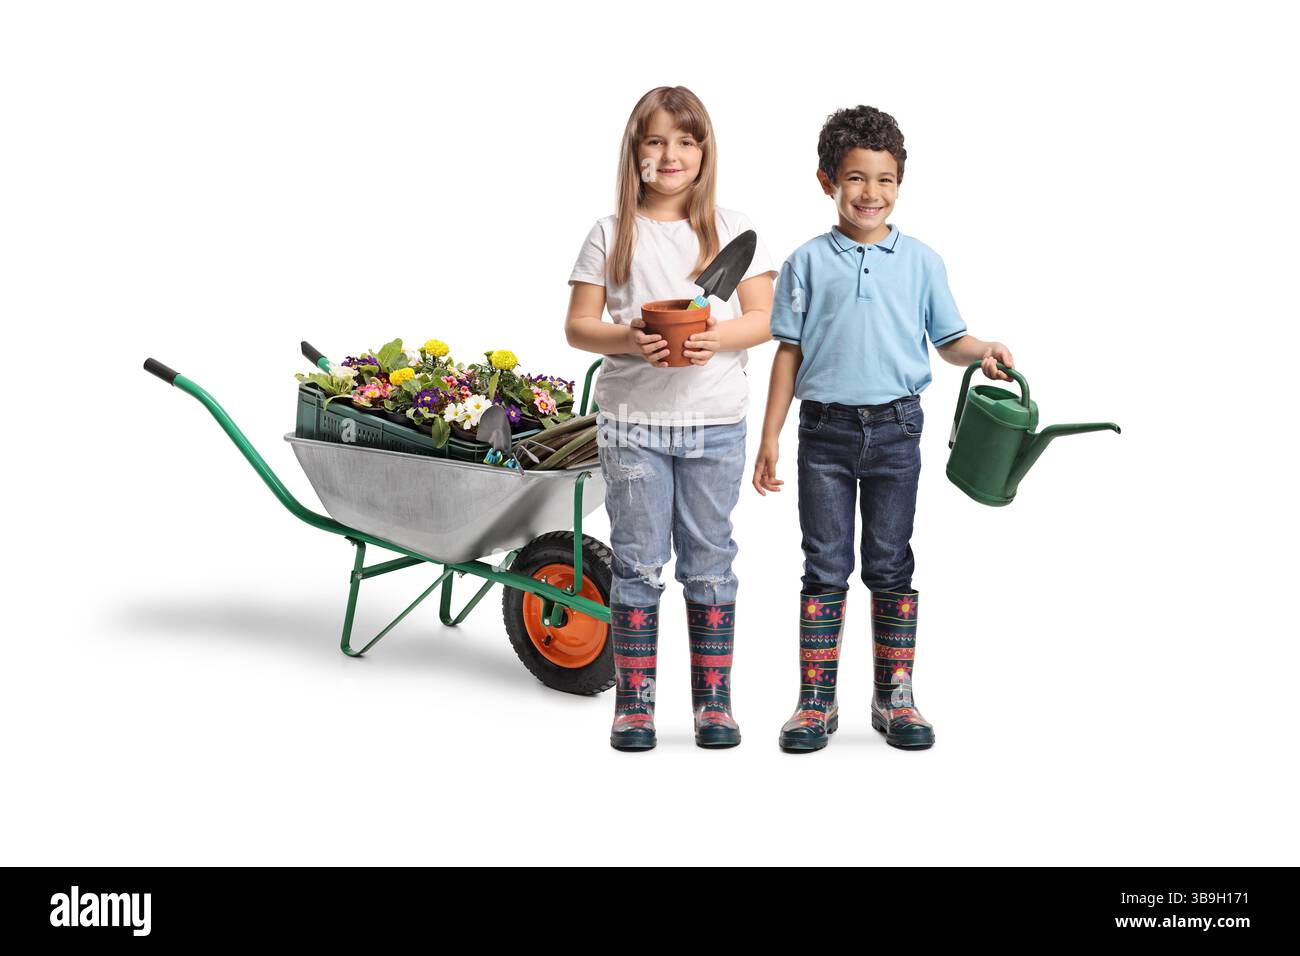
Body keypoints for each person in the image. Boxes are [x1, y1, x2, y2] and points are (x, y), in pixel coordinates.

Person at [754, 105, 1015, 754]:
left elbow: (949, 339)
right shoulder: (806, 263)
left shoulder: (922, 262)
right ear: (826, 182)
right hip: (823, 436)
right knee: (825, 565)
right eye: (856, 178)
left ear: (900, 184)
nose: (871, 193)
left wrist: (980, 349)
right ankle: (816, 702)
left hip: (898, 431)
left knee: (891, 563)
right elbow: (787, 352)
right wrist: (770, 437)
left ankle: (894, 695)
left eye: (886, 179)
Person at [565, 86, 775, 752]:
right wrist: (627, 339)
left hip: (715, 425)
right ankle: (635, 704)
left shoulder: (731, 229)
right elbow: (578, 327)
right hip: (632, 425)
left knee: (710, 563)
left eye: (685, 141)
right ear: (635, 151)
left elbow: (766, 318)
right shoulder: (610, 232)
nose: (670, 154)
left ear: (705, 152)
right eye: (655, 140)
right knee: (637, 564)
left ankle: (714, 702)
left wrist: (721, 335)